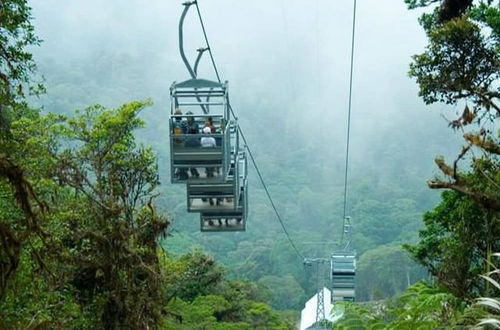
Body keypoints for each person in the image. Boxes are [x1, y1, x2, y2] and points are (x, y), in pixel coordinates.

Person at [172, 108, 188, 180]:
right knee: (183, 157)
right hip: (182, 143)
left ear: (175, 116)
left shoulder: (173, 123)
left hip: (175, 143)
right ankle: (182, 171)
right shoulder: (183, 123)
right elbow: (186, 131)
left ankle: (178, 170)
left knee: (177, 157)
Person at [185, 111, 200, 178]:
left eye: (189, 117)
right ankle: (193, 169)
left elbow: (197, 133)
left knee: (192, 156)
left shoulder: (195, 124)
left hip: (194, 143)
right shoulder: (185, 124)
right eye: (187, 117)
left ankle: (193, 169)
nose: (188, 118)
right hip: (188, 143)